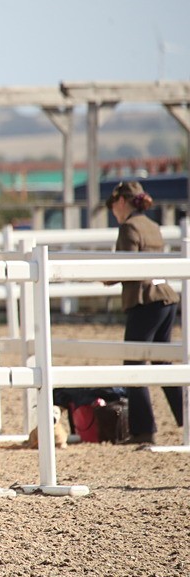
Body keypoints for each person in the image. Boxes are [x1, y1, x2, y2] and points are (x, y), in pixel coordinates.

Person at [106, 180, 183, 443]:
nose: (112, 210)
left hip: (145, 300)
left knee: (134, 363)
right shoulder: (152, 226)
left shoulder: (128, 227)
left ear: (122, 201)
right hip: (166, 298)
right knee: (163, 362)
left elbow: (126, 266)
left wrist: (103, 276)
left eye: (113, 204)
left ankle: (143, 430)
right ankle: (185, 416)